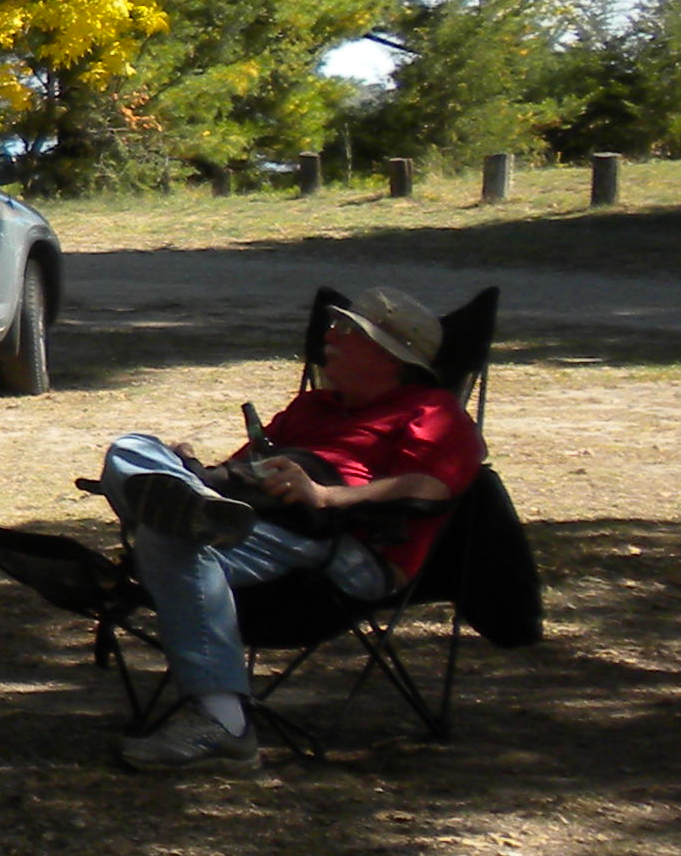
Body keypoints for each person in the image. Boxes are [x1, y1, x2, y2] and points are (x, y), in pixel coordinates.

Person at [99, 287, 483, 775]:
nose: (329, 337)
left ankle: (224, 726)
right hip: (259, 522)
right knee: (133, 448)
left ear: (391, 355)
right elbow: (244, 472)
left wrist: (325, 496)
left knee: (174, 538)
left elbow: (430, 488)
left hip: (346, 545)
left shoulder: (433, 411)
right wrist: (192, 468)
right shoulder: (312, 407)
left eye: (347, 331)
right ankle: (178, 499)